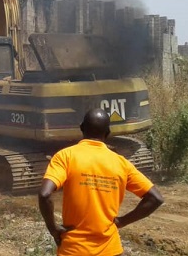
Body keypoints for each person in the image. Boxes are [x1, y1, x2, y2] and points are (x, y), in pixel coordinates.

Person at [38, 108, 164, 256]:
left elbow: (45, 194)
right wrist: (121, 221)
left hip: (74, 249)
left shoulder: (65, 156)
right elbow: (156, 198)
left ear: (81, 128)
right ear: (108, 133)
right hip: (111, 250)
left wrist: (53, 229)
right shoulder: (121, 163)